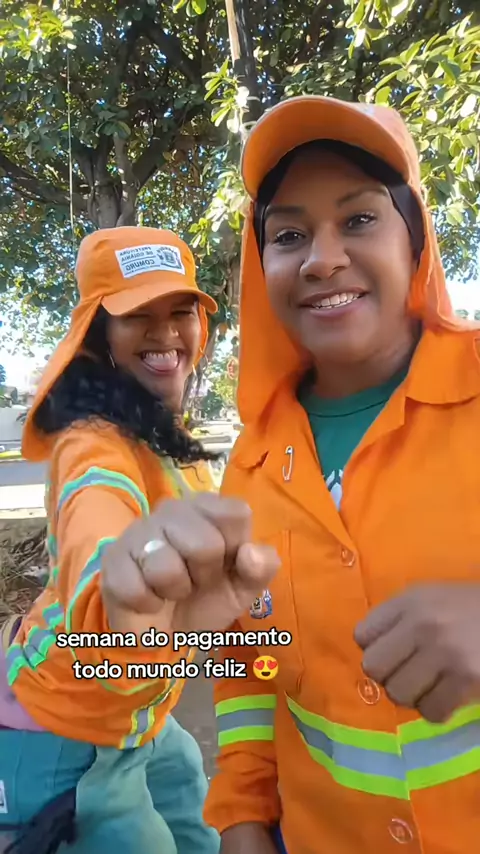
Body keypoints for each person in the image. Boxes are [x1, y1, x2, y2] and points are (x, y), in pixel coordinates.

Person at [203, 96, 480, 854]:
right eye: (289, 235)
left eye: (358, 219)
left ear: (415, 238)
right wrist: (243, 815)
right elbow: (249, 664)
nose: (321, 259)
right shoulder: (251, 466)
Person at [0, 226, 280, 854]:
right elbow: (97, 532)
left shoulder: (169, 442)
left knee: (207, 836)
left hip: (144, 719)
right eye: (137, 317)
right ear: (99, 335)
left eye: (181, 312)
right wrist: (122, 592)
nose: (166, 334)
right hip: (63, 732)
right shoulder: (91, 443)